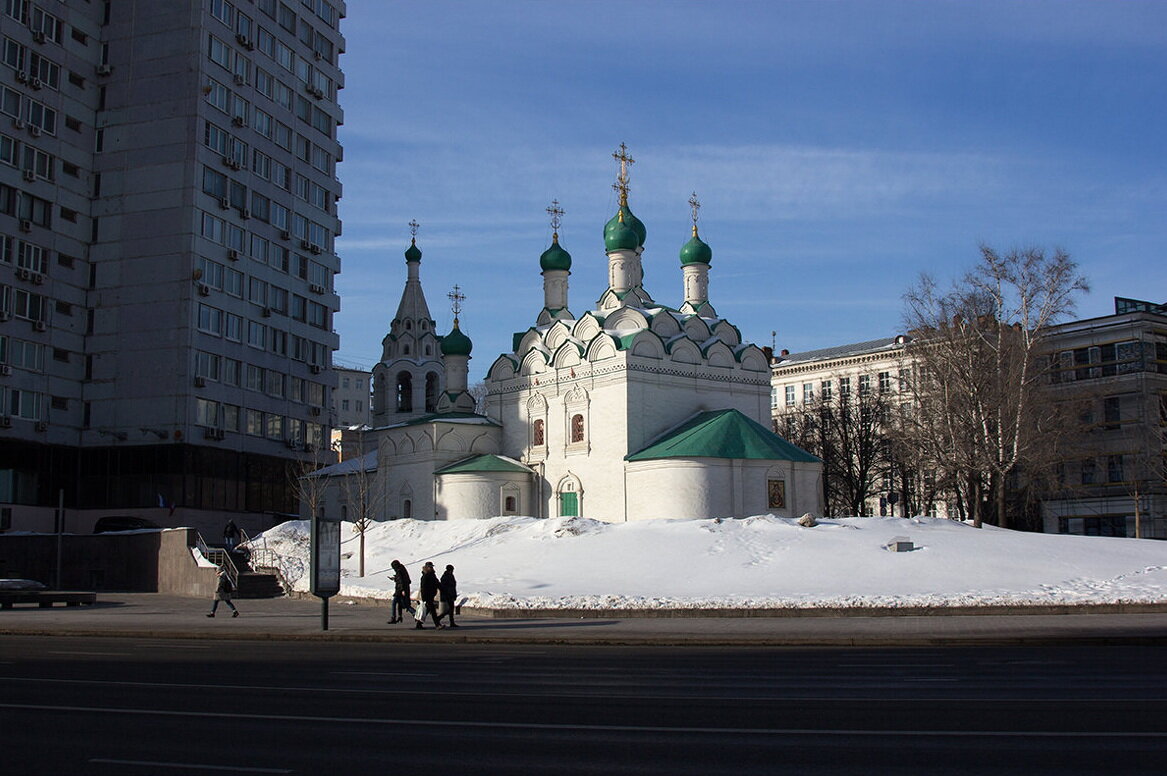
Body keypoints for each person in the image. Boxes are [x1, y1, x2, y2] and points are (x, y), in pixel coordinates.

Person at [415, 561, 442, 629]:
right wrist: (424, 598)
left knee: (427, 610)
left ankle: (419, 624)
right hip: (427, 596)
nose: (431, 568)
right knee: (432, 611)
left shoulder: (432, 575)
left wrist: (442, 588)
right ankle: (437, 625)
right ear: (427, 567)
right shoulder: (425, 576)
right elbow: (423, 587)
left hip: (431, 595)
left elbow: (436, 583)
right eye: (430, 567)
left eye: (432, 566)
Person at [388, 559, 415, 624]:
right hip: (403, 589)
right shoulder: (402, 569)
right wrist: (394, 578)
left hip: (400, 590)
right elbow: (401, 579)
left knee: (395, 603)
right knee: (403, 604)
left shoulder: (399, 571)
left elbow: (401, 581)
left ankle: (394, 617)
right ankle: (402, 616)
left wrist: (402, 590)